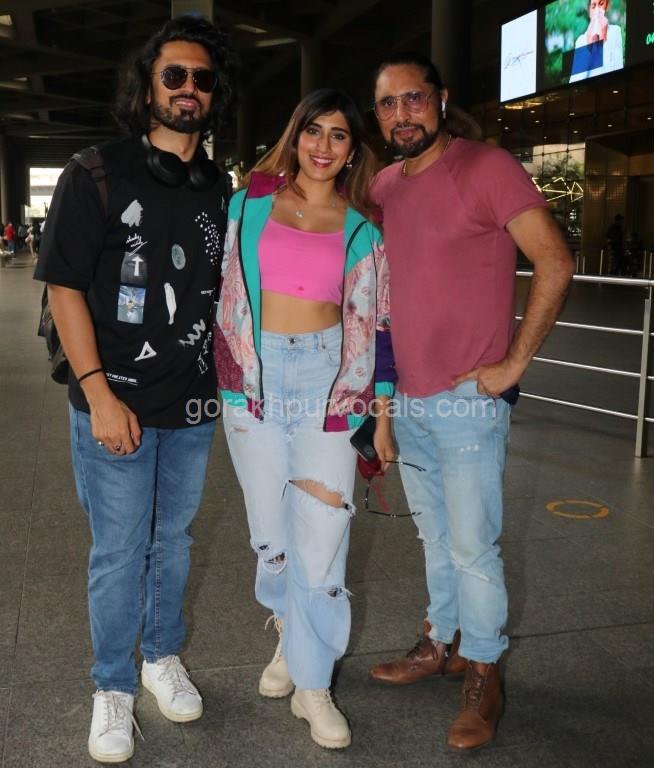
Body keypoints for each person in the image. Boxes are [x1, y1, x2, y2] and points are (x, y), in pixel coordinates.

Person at [34, 15, 235, 764]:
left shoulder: (217, 187)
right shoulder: (96, 171)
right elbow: (63, 288)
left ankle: (161, 655)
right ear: (147, 86)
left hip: (191, 403)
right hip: (112, 398)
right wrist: (98, 395)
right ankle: (113, 686)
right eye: (173, 75)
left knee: (173, 542)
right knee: (120, 550)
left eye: (202, 79)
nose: (188, 89)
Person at [368, 53, 574, 751]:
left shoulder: (488, 168)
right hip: (411, 400)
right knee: (434, 537)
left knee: (473, 546)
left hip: (468, 400)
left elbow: (555, 260)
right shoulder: (387, 186)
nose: (402, 114)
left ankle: (484, 669)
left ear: (440, 98)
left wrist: (514, 363)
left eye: (414, 98)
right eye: (388, 104)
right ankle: (443, 640)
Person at [213, 88, 396, 750]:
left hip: (330, 384)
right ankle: (290, 630)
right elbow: (222, 294)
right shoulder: (247, 206)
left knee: (323, 539)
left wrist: (381, 415)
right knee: (271, 537)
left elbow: (379, 324)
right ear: (295, 137)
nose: (323, 145)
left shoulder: (362, 227)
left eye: (338, 135)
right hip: (253, 383)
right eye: (313, 131)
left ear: (352, 150)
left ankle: (313, 684)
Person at [569, 0, 624, 83]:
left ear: (607, 6)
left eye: (601, 4)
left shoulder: (615, 31)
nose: (597, 10)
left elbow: (618, 72)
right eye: (593, 6)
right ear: (589, 11)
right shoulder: (581, 41)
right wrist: (588, 46)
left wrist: (604, 39)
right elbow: (575, 80)